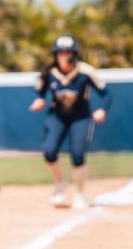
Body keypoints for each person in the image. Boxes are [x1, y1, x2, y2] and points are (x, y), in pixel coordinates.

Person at [28, 34, 111, 210]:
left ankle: (80, 193)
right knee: (49, 151)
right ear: (55, 54)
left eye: (68, 52)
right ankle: (60, 183)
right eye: (61, 52)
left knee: (78, 154)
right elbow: (40, 92)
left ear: (75, 54)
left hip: (80, 116)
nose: (65, 56)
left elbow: (106, 94)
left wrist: (102, 109)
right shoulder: (48, 73)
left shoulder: (85, 72)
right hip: (57, 115)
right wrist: (39, 100)